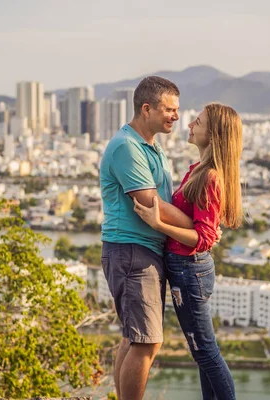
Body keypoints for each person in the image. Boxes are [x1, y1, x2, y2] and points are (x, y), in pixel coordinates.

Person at [133, 103, 243, 400]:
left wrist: (159, 224)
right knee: (201, 354)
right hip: (187, 268)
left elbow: (204, 237)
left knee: (206, 352)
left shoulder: (210, 178)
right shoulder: (198, 170)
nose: (190, 124)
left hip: (190, 269)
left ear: (214, 135)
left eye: (198, 122)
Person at [99, 76, 196, 400]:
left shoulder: (150, 147)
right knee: (147, 340)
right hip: (131, 251)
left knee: (133, 337)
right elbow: (150, 202)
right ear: (146, 108)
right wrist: (197, 229)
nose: (176, 116)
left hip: (138, 250)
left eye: (177, 109)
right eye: (169, 109)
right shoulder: (127, 147)